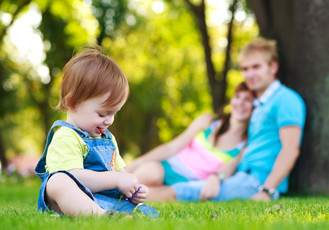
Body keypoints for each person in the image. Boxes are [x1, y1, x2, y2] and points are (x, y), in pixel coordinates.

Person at [146, 37, 306, 202]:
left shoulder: (286, 99)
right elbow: (244, 154)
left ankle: (120, 199)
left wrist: (266, 190)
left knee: (181, 191)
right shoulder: (259, 106)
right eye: (245, 69)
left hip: (257, 181)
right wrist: (217, 177)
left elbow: (290, 149)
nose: (249, 74)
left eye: (256, 67)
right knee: (177, 187)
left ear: (273, 67)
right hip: (241, 176)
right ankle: (121, 196)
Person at [34, 48, 158, 217]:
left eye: (114, 113)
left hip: (104, 200)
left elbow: (120, 173)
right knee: (58, 181)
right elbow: (76, 177)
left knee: (143, 212)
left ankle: (117, 215)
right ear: (72, 103)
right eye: (102, 114)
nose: (109, 120)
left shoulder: (107, 138)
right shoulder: (66, 136)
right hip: (72, 203)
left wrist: (132, 187)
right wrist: (115, 179)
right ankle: (101, 216)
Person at [126, 82, 255, 200]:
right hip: (167, 169)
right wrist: (135, 164)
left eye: (248, 99)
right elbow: (171, 147)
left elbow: (228, 169)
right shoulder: (208, 121)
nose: (240, 103)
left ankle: (117, 199)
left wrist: (216, 179)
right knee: (152, 173)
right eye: (237, 97)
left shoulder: (244, 145)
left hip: (185, 185)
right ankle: (115, 188)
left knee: (147, 194)